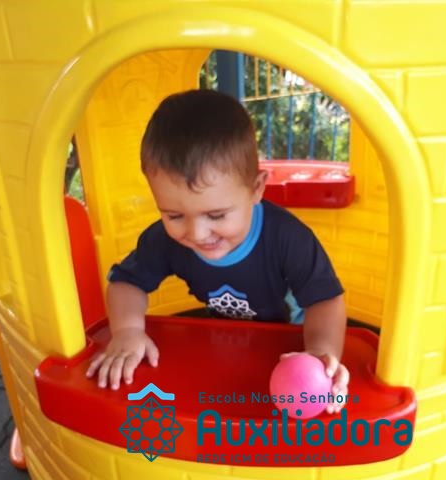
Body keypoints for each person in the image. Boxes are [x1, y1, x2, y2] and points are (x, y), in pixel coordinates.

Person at [86, 89, 350, 414]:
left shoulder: (289, 239)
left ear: (256, 189)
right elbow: (126, 282)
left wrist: (321, 353)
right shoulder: (165, 240)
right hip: (230, 341)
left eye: (216, 215)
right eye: (174, 215)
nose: (196, 234)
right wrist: (128, 331)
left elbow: (325, 301)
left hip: (294, 342)